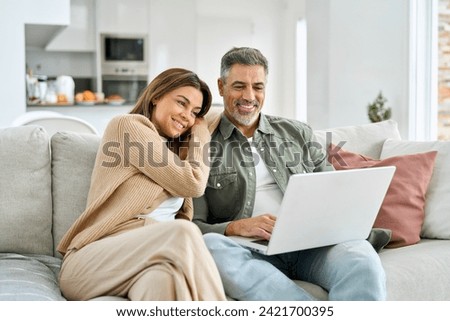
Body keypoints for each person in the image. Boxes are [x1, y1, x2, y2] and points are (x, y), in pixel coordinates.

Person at [193, 47, 387, 300]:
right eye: (239, 86)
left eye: (258, 87)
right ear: (221, 86)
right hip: (250, 250)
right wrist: (235, 227)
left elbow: (334, 189)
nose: (249, 96)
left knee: (361, 259)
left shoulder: (297, 132)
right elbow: (192, 226)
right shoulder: (202, 143)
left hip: (313, 246)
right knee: (211, 247)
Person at [57, 68, 226, 301]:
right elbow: (193, 184)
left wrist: (199, 123)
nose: (187, 116)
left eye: (194, 112)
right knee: (184, 232)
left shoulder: (176, 152)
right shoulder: (127, 126)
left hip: (145, 263)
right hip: (91, 263)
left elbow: (225, 114)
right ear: (156, 95)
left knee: (165, 280)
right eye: (181, 103)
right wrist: (201, 132)